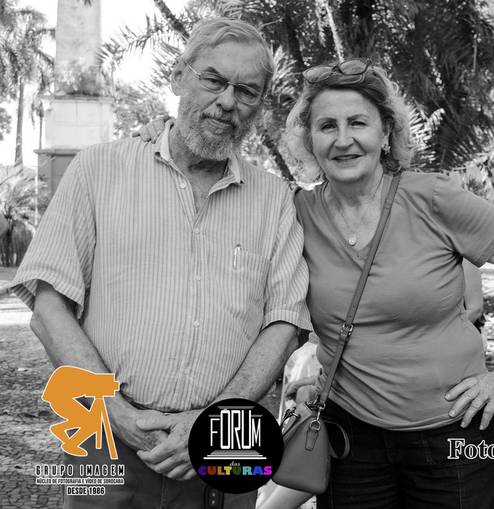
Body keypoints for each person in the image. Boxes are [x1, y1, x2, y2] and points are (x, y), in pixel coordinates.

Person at [12, 18, 311, 508]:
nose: (227, 102)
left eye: (246, 91)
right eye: (213, 79)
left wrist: (212, 422)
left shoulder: (275, 199)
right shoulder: (97, 170)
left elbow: (284, 322)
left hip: (231, 437)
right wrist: (117, 414)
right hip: (104, 433)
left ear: (259, 104)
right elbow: (49, 310)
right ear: (178, 76)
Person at [259, 58, 494, 509]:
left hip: (455, 433)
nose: (343, 139)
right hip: (350, 441)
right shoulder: (296, 213)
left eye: (358, 123)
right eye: (327, 126)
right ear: (310, 140)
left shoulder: (431, 197)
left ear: (386, 133)